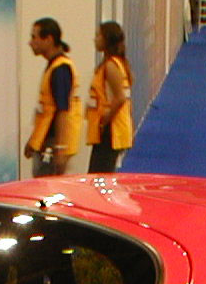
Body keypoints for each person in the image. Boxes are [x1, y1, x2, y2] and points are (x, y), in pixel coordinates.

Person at [25, 17, 81, 176]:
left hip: (53, 141)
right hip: (46, 139)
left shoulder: (61, 69)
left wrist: (60, 149)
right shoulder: (54, 66)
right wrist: (33, 141)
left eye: (34, 37)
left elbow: (62, 110)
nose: (30, 42)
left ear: (48, 39)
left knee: (46, 186)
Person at [85, 21, 134, 174]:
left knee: (99, 177)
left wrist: (104, 120)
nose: (95, 39)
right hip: (110, 129)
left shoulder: (111, 66)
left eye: (98, 36)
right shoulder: (114, 64)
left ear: (106, 39)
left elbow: (120, 98)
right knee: (101, 175)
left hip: (110, 130)